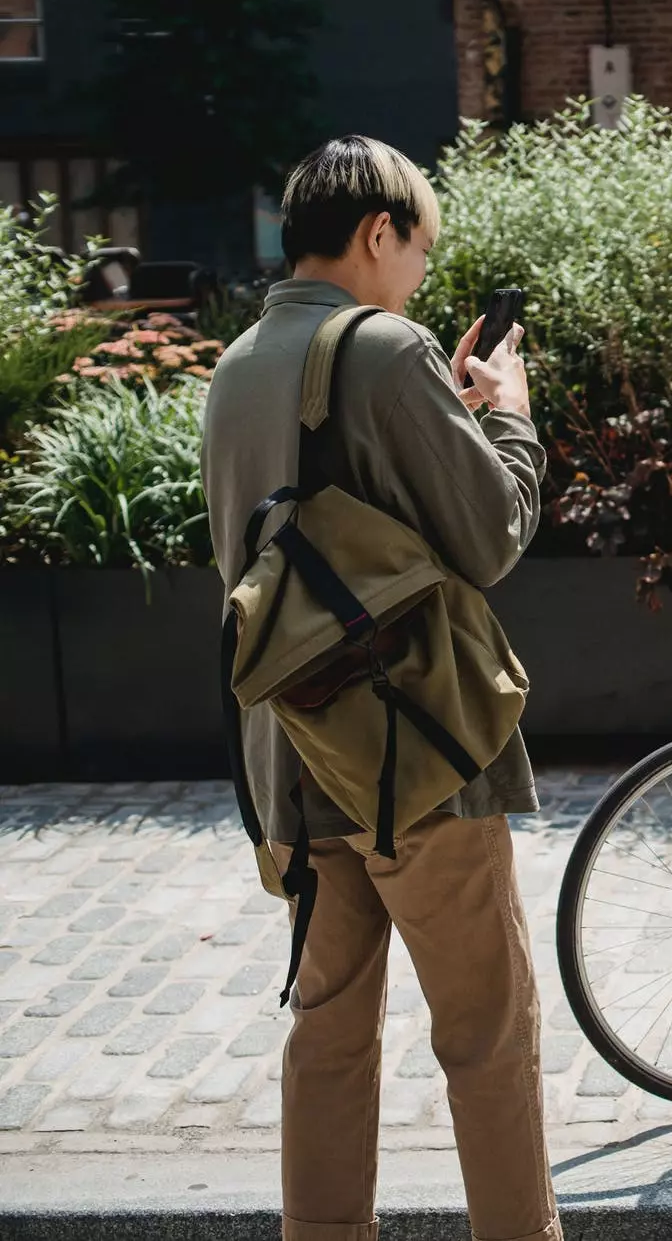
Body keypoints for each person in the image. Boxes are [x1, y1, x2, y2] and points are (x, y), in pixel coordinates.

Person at [200, 136, 561, 1240]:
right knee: (486, 1034)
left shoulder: (237, 364)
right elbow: (492, 534)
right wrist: (507, 411)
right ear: (375, 232)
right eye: (419, 247)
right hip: (415, 753)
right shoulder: (387, 348)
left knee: (327, 1029)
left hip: (291, 761)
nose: (420, 275)